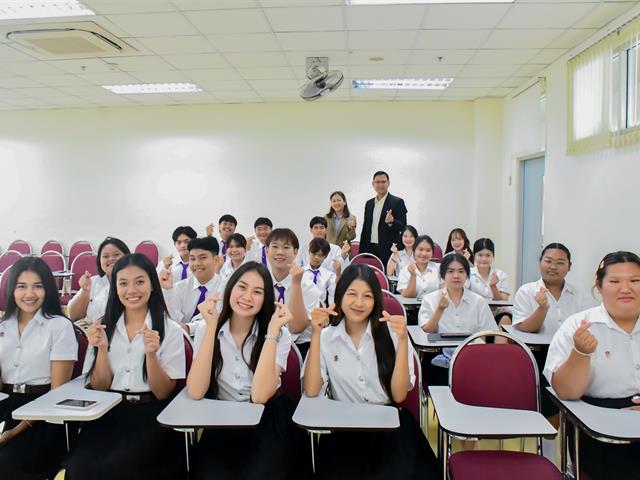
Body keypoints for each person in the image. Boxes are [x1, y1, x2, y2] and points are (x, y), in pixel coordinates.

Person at [303, 264, 438, 479]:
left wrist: (403, 341)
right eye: (352, 294)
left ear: (375, 301)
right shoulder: (327, 337)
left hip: (390, 428)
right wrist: (316, 335)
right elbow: (311, 391)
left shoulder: (392, 335)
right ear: (339, 296)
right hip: (344, 431)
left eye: (367, 296)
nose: (359, 303)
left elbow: (399, 396)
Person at [63, 254, 186, 480]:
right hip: (108, 412)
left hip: (152, 417)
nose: (132, 290)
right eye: (123, 283)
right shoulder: (103, 325)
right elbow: (99, 387)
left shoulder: (170, 330)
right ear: (115, 287)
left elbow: (163, 392)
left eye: (140, 281)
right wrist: (101, 348)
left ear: (152, 284)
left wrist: (151, 355)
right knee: (82, 469)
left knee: (132, 469)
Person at [187, 262, 307, 479]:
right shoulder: (207, 327)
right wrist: (211, 328)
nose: (247, 297)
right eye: (242, 287)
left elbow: (260, 396)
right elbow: (195, 391)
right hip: (223, 419)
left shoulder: (279, 334)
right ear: (230, 288)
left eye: (257, 292)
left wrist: (271, 332)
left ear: (267, 298)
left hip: (269, 419)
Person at [544, 251, 640, 480]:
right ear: (599, 286)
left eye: (635, 281)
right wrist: (580, 352)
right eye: (615, 281)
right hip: (597, 425)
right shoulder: (579, 325)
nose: (625, 289)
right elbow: (566, 392)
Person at [0, 257, 78, 480]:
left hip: (42, 414)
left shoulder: (59, 326)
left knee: (5, 463)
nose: (29, 294)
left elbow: (56, 393)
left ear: (48, 289)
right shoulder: (3, 327)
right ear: (12, 289)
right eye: (21, 286)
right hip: (6, 404)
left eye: (38, 286)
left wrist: (14, 431)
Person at [418, 253, 497, 385]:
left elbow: (486, 334)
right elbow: (426, 330)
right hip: (439, 357)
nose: (456, 276)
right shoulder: (430, 299)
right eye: (451, 271)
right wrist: (439, 310)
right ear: (443, 275)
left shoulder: (478, 301)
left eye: (461, 271)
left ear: (467, 275)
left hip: (472, 355)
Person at [266, 228, 320, 358]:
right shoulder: (260, 282)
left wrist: (296, 284)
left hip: (300, 347)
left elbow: (296, 327)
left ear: (295, 252)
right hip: (266, 341)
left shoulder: (307, 286)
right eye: (274, 246)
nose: (279, 252)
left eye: (286, 247)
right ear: (267, 251)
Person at [160, 237, 223, 334]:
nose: (197, 263)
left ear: (216, 260)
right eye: (192, 259)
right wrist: (168, 291)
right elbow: (173, 318)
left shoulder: (225, 287)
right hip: (181, 339)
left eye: (203, 258)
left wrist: (188, 328)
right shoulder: (180, 287)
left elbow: (217, 317)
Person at [69, 236, 130, 322]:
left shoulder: (134, 283)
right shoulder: (93, 282)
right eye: (105, 256)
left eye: (116, 254)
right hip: (95, 333)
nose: (111, 259)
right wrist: (85, 291)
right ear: (99, 261)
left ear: (127, 256)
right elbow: (74, 316)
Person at [359, 171, 408, 266]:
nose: (380, 184)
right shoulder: (369, 203)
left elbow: (403, 227)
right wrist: (362, 252)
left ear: (388, 183)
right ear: (373, 184)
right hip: (369, 248)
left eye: (383, 182)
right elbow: (365, 228)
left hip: (388, 249)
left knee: (387, 278)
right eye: (377, 182)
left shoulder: (397, 202)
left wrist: (392, 222)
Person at [468, 238, 511, 326]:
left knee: (506, 319)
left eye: (488, 255)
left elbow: (504, 300)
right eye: (480, 255)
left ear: (493, 256)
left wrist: (493, 287)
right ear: (474, 255)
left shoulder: (501, 275)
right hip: (475, 313)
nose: (484, 259)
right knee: (477, 321)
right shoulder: (467, 274)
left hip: (497, 314)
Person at [397, 235, 440, 299]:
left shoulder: (439, 268)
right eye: (420, 249)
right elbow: (408, 295)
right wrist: (413, 275)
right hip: (412, 308)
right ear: (414, 251)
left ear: (432, 253)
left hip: (435, 307)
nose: (424, 254)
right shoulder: (405, 271)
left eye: (428, 250)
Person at [302, 238, 337, 307]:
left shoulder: (329, 275)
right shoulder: (301, 272)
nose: (316, 257)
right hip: (303, 309)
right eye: (314, 254)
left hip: (321, 309)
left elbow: (332, 296)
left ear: (325, 256)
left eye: (320, 255)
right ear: (309, 252)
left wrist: (330, 310)